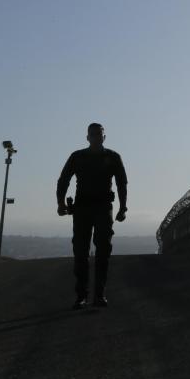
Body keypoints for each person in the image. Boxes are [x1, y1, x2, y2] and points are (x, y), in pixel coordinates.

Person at [56, 122, 128, 309]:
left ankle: (99, 294)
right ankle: (81, 295)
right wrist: (61, 203)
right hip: (82, 208)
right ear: (87, 137)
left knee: (103, 250)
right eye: (93, 134)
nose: (96, 137)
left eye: (99, 134)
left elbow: (122, 184)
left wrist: (123, 208)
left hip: (104, 207)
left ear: (104, 137)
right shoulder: (77, 157)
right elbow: (63, 180)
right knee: (80, 251)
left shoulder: (113, 157)